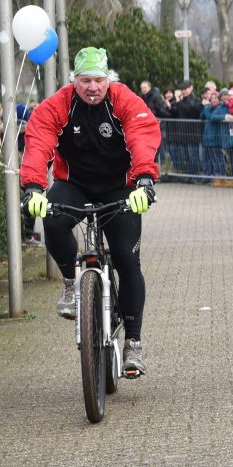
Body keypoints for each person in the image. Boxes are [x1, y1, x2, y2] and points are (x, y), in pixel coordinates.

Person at [20, 47, 160, 377]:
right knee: (51, 221)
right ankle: (71, 283)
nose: (92, 87)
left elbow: (142, 134)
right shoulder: (60, 103)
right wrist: (34, 187)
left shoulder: (124, 99)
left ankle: (134, 344)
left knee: (127, 259)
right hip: (76, 185)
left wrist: (144, 180)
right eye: (85, 81)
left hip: (120, 186)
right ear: (75, 81)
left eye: (98, 80)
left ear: (108, 79)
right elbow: (39, 139)